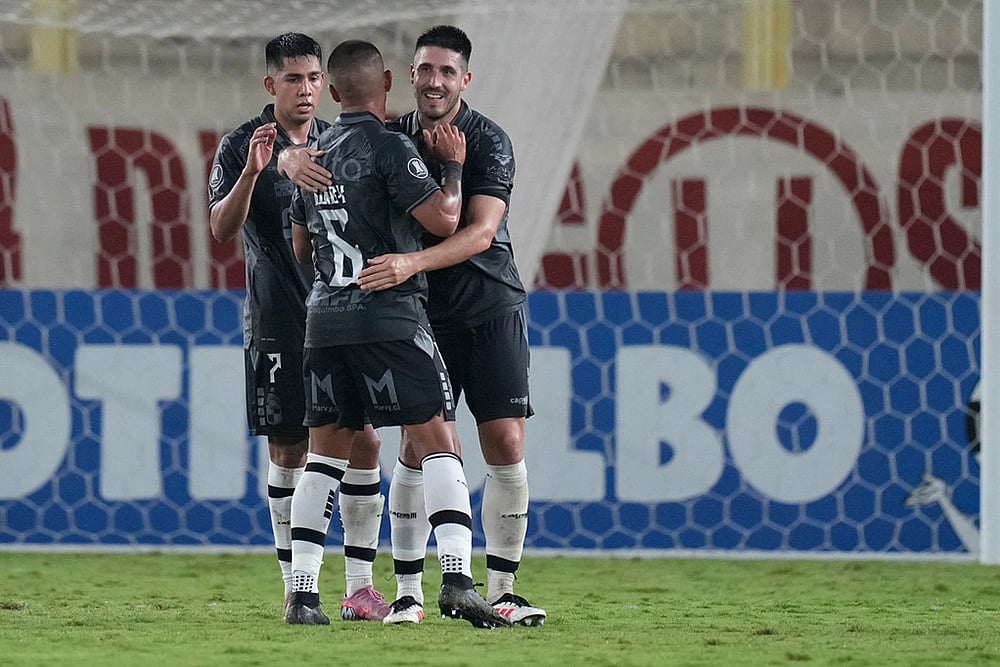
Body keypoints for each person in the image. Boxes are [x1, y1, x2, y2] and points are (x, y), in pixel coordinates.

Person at [287, 38, 510, 629]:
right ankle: (459, 580)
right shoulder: (390, 145)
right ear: (389, 81)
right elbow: (444, 219)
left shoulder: (312, 152)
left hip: (324, 320)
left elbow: (301, 246)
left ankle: (304, 594)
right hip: (389, 316)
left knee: (322, 459)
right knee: (439, 442)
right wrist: (454, 169)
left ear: (331, 93)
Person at [363, 24, 544, 627]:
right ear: (409, 75)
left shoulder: (489, 141)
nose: (435, 81)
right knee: (419, 445)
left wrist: (411, 260)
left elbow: (482, 233)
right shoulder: (390, 139)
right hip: (419, 314)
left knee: (506, 444)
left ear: (465, 80)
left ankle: (503, 589)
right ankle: (410, 592)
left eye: (447, 72)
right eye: (425, 70)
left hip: (491, 305)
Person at [207, 32, 388, 625]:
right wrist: (255, 173)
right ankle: (295, 587)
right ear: (271, 85)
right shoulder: (242, 145)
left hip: (342, 316)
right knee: (288, 447)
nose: (306, 89)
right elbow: (221, 228)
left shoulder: (342, 141)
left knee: (364, 442)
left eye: (314, 78)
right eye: (293, 79)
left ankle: (360, 586)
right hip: (279, 321)